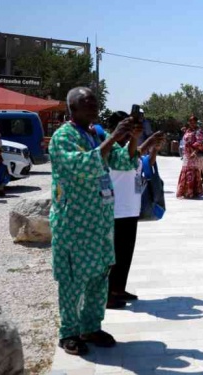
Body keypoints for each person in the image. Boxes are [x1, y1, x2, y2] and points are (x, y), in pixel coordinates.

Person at [49, 87, 139, 356]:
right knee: (73, 278)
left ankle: (90, 326)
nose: (93, 107)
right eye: (87, 103)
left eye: (95, 103)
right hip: (74, 221)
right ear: (72, 108)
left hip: (99, 222)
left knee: (98, 276)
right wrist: (113, 136)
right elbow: (82, 165)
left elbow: (123, 161)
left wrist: (132, 138)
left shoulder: (93, 134)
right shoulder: (63, 137)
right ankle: (69, 333)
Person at [103, 112, 165, 310]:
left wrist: (153, 147)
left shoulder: (130, 148)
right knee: (113, 254)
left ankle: (119, 288)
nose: (131, 132)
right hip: (115, 207)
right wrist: (145, 142)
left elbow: (143, 162)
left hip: (131, 206)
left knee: (126, 252)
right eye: (128, 127)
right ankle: (108, 292)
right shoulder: (111, 149)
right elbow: (128, 157)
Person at [176, 115, 203, 199]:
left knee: (192, 172)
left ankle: (192, 192)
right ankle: (184, 191)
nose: (192, 123)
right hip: (186, 154)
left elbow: (199, 142)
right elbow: (184, 141)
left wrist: (195, 152)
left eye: (194, 122)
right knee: (185, 171)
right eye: (190, 122)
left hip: (193, 155)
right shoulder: (187, 130)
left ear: (196, 122)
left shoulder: (198, 131)